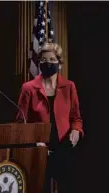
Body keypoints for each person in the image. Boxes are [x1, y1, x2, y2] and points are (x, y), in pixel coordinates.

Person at [16, 43, 84, 193]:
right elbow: (21, 123)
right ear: (39, 62)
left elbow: (76, 118)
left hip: (64, 147)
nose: (48, 63)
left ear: (59, 63)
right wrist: (33, 141)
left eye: (53, 59)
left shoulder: (69, 86)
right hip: (39, 149)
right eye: (44, 60)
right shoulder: (28, 88)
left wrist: (76, 131)